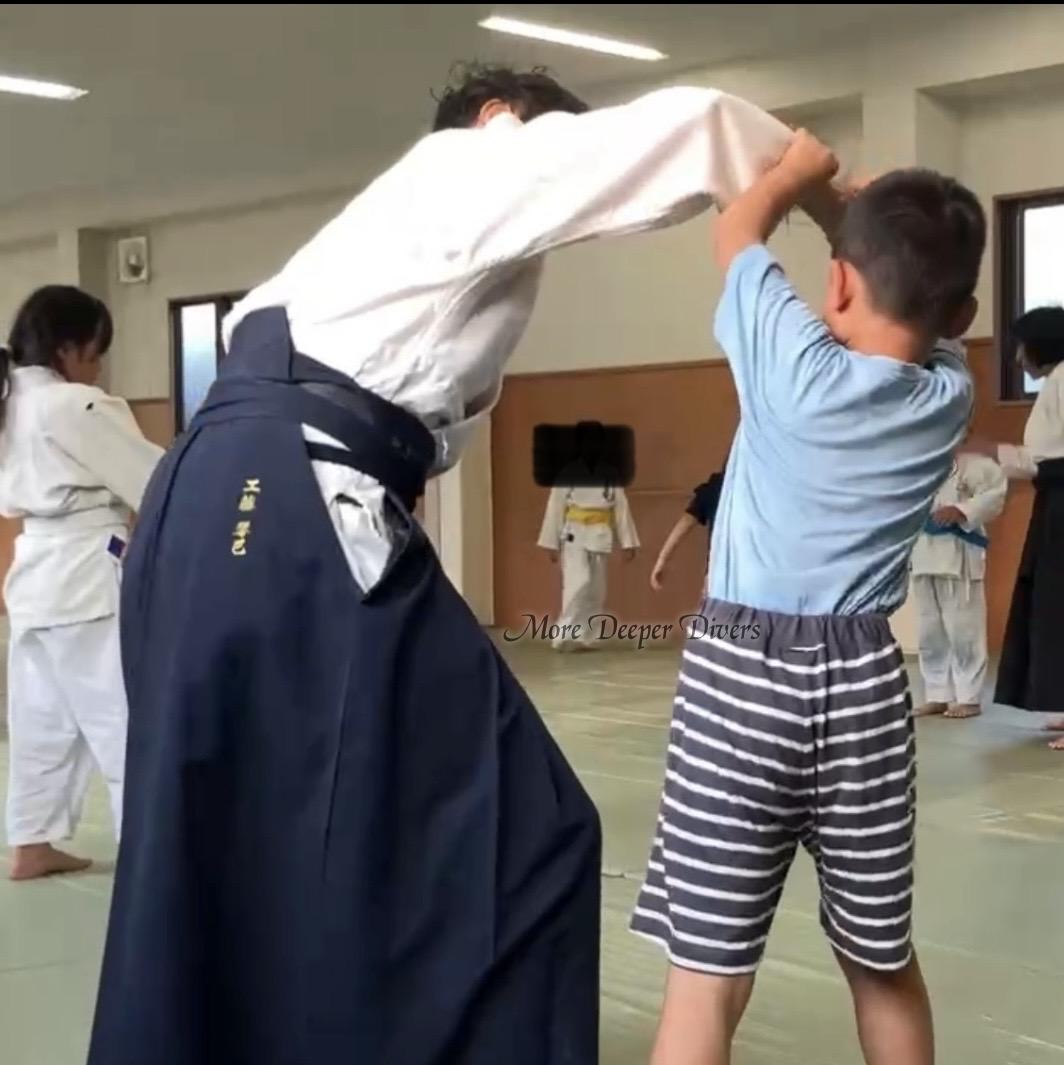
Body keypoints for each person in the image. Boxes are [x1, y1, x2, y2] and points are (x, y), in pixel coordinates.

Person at [88, 65, 797, 1065]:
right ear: (498, 119)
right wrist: (812, 180)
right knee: (529, 832)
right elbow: (687, 129)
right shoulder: (464, 166)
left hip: (211, 508)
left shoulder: (368, 247)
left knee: (237, 828)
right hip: (284, 509)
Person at [631, 136, 985, 1065]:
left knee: (707, 976)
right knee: (880, 958)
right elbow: (904, 302)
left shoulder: (791, 364)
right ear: (963, 313)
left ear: (834, 284)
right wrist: (843, 212)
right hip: (865, 682)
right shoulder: (948, 394)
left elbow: (738, 231)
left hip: (739, 679)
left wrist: (797, 175)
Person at [0, 286, 162, 881]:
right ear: (68, 349)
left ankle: (32, 843)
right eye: (96, 352)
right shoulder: (75, 404)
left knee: (40, 718)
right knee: (121, 715)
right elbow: (154, 480)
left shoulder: (9, 402)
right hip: (86, 575)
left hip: (33, 573)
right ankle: (147, 851)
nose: (98, 367)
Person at [965, 306, 1064, 749]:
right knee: (1051, 604)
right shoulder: (1057, 381)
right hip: (1055, 502)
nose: (1019, 358)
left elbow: (1045, 460)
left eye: (1023, 347)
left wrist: (995, 451)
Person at [911, 449, 1006, 719]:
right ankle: (936, 694)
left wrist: (963, 510)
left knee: (964, 630)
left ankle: (969, 697)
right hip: (922, 553)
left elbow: (995, 495)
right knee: (929, 631)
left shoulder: (977, 465)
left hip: (959, 557)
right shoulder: (918, 463)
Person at [537, 421, 639, 650]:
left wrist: (628, 543)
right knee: (577, 582)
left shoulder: (610, 474)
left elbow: (621, 509)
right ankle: (563, 635)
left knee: (596, 588)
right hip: (574, 533)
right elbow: (555, 508)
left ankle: (587, 637)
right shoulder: (568, 473)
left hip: (600, 534)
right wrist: (551, 543)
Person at [650, 468, 726, 591]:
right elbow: (687, 519)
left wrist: (662, 560)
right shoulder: (721, 486)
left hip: (718, 579)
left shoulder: (718, 485)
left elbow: (687, 520)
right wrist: (662, 560)